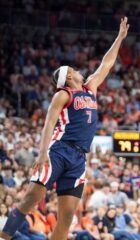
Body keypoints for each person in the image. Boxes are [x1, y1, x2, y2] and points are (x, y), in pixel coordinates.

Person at [0, 17, 130, 240]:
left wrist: (119, 38)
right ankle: (4, 236)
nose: (79, 70)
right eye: (74, 69)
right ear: (69, 76)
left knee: (67, 215)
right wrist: (41, 153)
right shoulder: (63, 94)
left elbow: (106, 64)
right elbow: (49, 124)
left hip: (79, 157)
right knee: (31, 197)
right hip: (58, 151)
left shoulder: (90, 88)